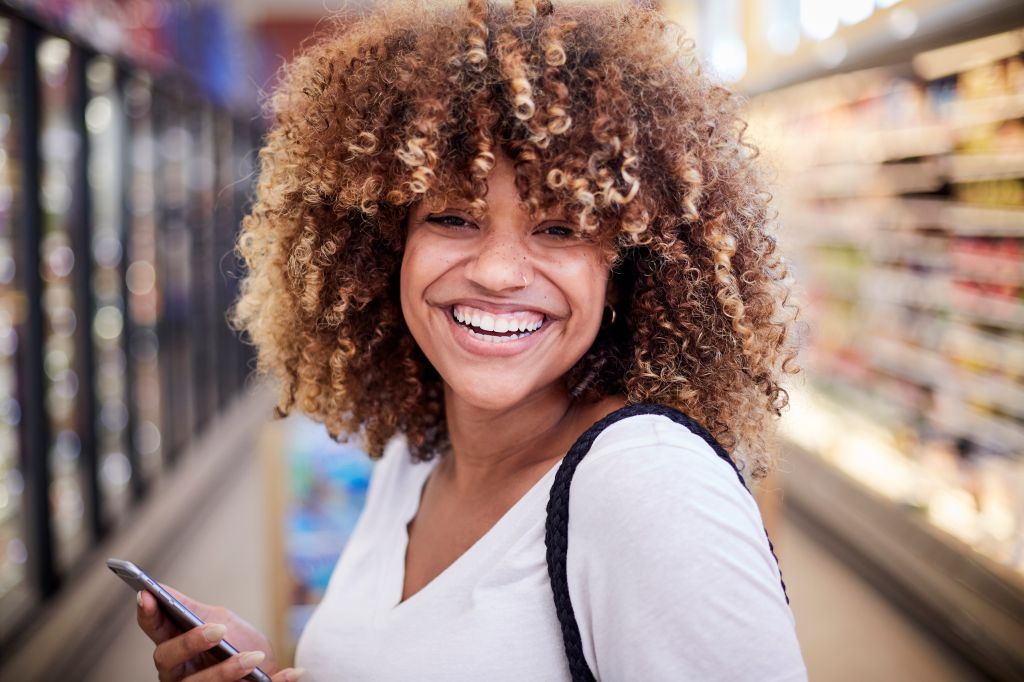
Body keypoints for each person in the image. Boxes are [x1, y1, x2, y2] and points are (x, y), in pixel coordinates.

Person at [135, 0, 807, 679]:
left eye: (560, 228)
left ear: (632, 267)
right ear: (383, 243)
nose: (495, 272)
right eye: (454, 218)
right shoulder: (419, 450)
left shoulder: (651, 487)